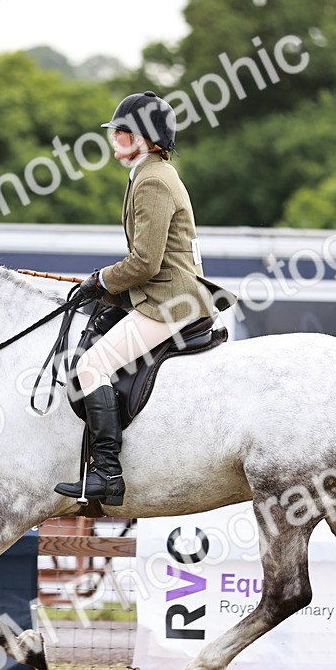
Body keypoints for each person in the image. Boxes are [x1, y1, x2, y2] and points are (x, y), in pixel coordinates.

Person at [54, 91, 224, 507]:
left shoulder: (152, 180)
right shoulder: (149, 175)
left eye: (123, 131)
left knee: (91, 365)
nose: (114, 138)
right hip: (161, 293)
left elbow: (145, 263)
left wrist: (102, 278)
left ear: (146, 138)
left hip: (169, 299)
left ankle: (108, 474)